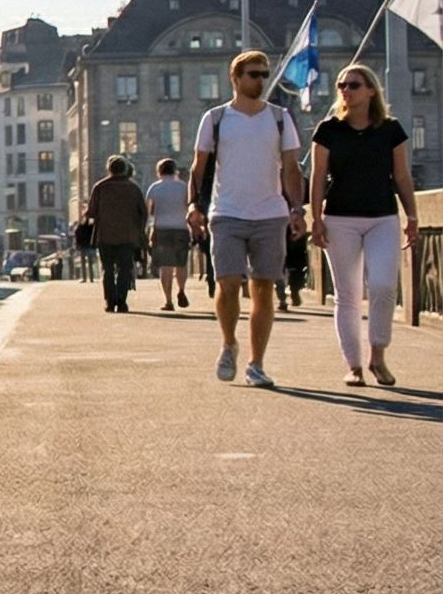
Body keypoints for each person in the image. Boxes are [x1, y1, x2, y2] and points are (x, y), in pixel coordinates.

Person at [188, 50, 305, 388]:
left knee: (263, 288)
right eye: (254, 74)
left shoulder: (280, 118)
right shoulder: (216, 118)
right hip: (226, 212)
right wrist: (193, 204)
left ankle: (256, 364)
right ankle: (229, 344)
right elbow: (199, 166)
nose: (260, 81)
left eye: (264, 74)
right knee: (227, 284)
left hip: (270, 213)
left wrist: (297, 209)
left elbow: (292, 168)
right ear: (235, 78)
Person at [310, 64, 417, 387]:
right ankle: (353, 365)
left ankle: (378, 356)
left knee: (383, 285)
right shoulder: (329, 130)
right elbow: (318, 178)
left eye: (353, 85)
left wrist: (412, 217)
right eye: (342, 85)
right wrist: (316, 219)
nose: (346, 90)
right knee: (348, 294)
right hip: (340, 218)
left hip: (382, 217)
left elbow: (402, 177)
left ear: (371, 90)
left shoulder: (390, 130)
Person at [84, 156, 148, 312]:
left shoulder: (100, 187)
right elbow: (143, 212)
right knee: (124, 269)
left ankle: (110, 302)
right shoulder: (133, 188)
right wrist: (139, 230)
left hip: (105, 236)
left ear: (109, 169)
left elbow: (91, 212)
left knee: (108, 269)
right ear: (124, 170)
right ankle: (122, 301)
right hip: (128, 236)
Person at [145, 156, 193, 310]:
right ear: (175, 171)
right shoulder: (184, 187)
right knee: (181, 263)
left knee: (165, 266)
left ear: (159, 171)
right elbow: (189, 206)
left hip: (162, 228)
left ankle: (168, 301)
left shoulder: (155, 188)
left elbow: (149, 211)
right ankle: (181, 289)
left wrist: (148, 230)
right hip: (181, 228)